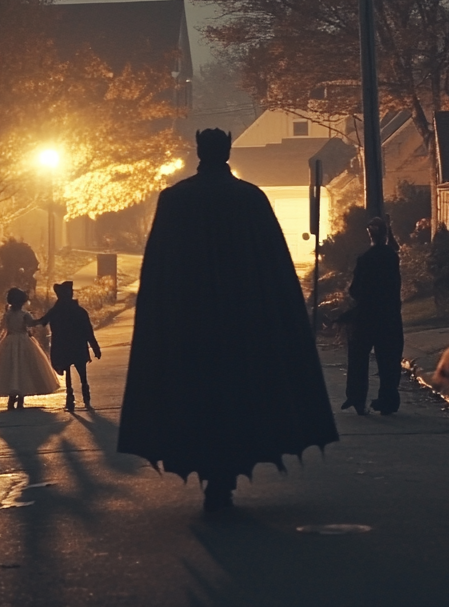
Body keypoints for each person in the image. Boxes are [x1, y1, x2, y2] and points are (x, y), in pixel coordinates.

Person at [118, 128, 339, 512]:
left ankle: (212, 477)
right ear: (228, 151)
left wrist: (161, 323)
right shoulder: (249, 199)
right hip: (241, 322)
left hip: (190, 322)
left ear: (199, 151)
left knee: (199, 397)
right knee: (237, 397)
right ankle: (224, 477)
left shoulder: (175, 201)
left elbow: (159, 271)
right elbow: (274, 268)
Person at [341, 216, 403, 415]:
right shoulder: (392, 258)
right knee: (389, 360)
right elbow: (395, 249)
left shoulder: (365, 259)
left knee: (358, 357)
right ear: (386, 234)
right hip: (389, 316)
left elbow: (355, 290)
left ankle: (357, 396)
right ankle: (388, 399)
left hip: (365, 315)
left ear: (369, 234)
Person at [0, 287, 59, 409]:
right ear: (22, 302)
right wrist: (43, 320)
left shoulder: (7, 314)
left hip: (9, 340)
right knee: (23, 367)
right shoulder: (24, 315)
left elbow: (6, 327)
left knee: (11, 367)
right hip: (23, 340)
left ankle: (12, 399)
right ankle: (20, 398)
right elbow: (31, 324)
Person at [35, 281, 101, 411]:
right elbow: (88, 330)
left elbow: (43, 321)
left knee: (67, 371)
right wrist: (95, 347)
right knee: (81, 370)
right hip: (78, 345)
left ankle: (70, 396)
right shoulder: (79, 311)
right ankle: (84, 393)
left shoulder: (55, 311)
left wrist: (25, 322)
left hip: (62, 345)